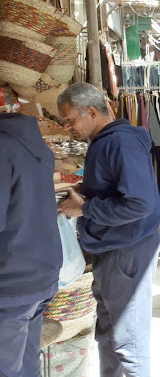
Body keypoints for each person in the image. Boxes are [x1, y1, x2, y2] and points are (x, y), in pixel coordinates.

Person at [57, 82, 160, 375]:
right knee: (110, 334)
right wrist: (85, 190)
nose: (67, 128)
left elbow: (140, 204)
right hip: (113, 249)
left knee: (128, 342)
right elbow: (118, 189)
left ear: (91, 112)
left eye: (70, 120)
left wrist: (85, 207)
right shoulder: (108, 141)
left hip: (125, 251)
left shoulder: (119, 142)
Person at [0, 113, 62, 377]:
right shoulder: (32, 142)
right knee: (26, 363)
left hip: (12, 280)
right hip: (41, 273)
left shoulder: (3, 147)